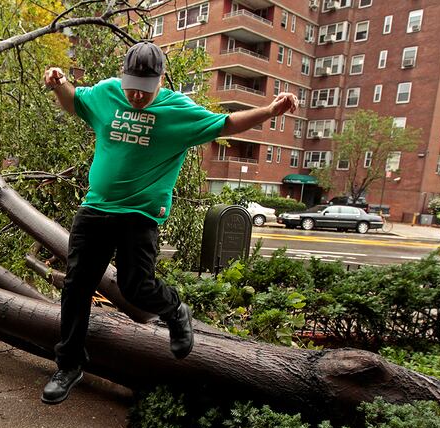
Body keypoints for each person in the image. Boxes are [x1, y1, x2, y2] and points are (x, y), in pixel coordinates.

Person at [41, 41, 297, 404]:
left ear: (160, 82)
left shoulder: (179, 111)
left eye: (145, 90)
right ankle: (68, 365)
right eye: (131, 86)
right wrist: (59, 84)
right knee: (76, 287)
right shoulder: (106, 94)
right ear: (122, 76)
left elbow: (226, 124)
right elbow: (74, 103)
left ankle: (175, 310)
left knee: (135, 286)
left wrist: (269, 110)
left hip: (140, 216)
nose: (136, 96)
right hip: (96, 209)